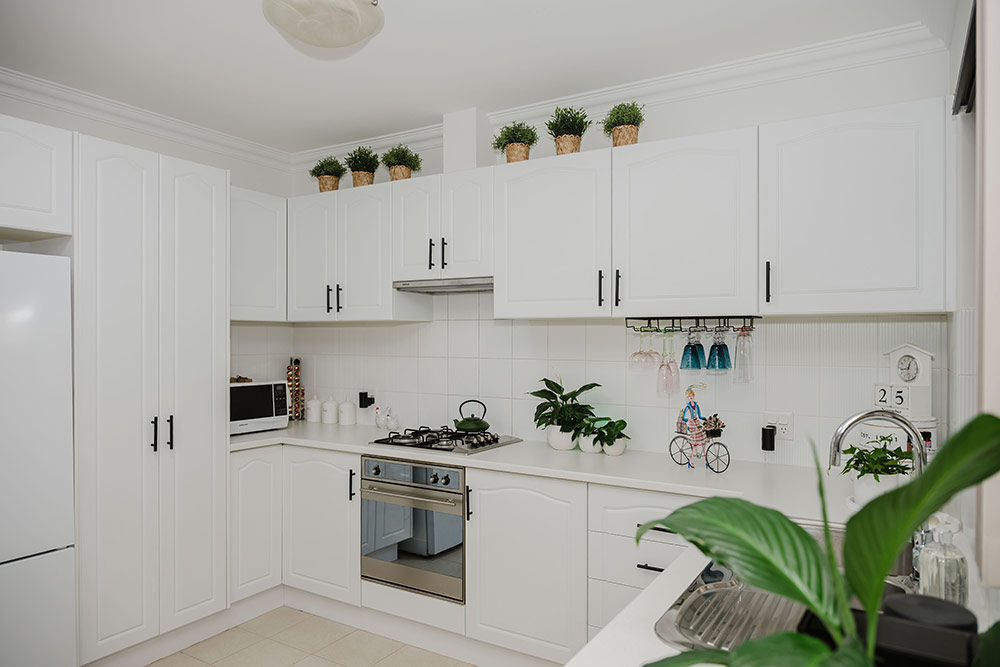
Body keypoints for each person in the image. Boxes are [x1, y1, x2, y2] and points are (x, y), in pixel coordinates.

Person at [680, 385, 708, 468]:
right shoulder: (687, 407)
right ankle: (690, 461)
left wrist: (706, 419)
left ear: (694, 396)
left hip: (697, 423)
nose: (690, 397)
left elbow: (699, 416)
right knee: (695, 445)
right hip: (692, 425)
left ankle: (706, 462)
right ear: (687, 397)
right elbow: (683, 418)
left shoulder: (696, 405)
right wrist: (690, 420)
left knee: (703, 443)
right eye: (689, 396)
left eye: (691, 396)